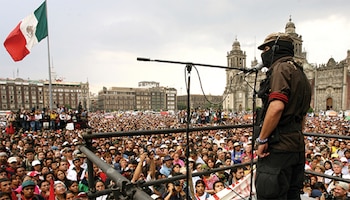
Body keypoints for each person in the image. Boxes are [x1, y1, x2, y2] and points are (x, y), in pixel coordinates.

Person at [255, 32, 312, 199]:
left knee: (271, 194)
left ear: (276, 49)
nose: (263, 53)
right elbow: (302, 115)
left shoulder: (281, 68)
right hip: (296, 146)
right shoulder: (300, 72)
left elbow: (277, 107)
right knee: (291, 195)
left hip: (278, 148)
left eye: (266, 49)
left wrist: (263, 139)